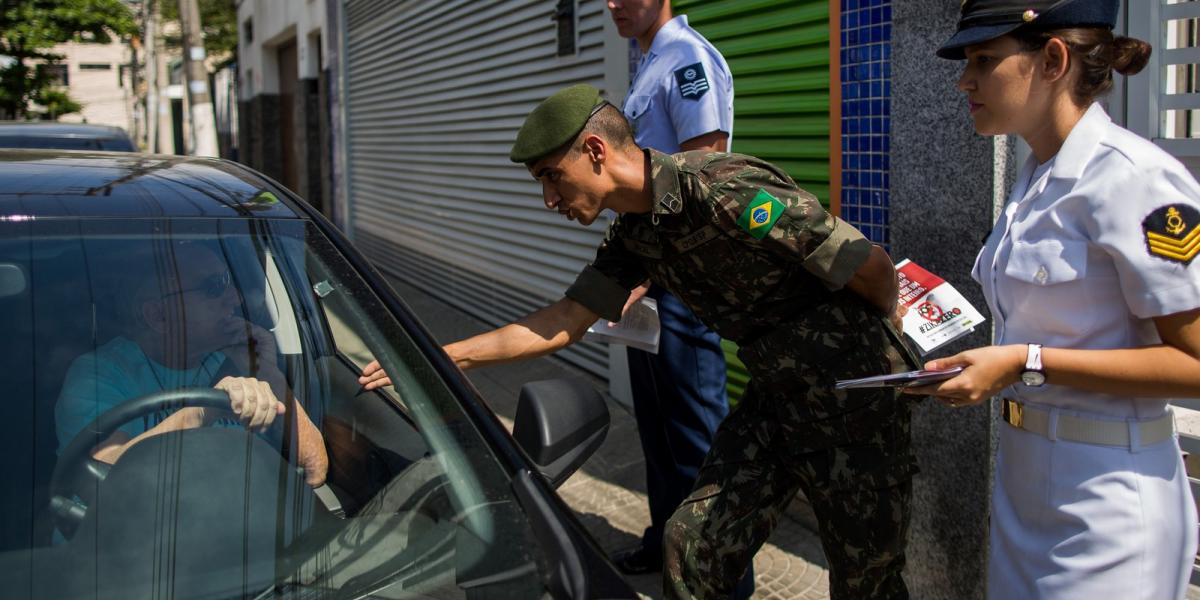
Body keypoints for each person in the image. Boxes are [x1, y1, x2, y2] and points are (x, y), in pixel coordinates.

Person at [360, 84, 921, 599]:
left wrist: (878, 349)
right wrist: (443, 356)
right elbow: (564, 319)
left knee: (865, 580)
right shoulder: (633, 235)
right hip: (776, 400)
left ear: (596, 152)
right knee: (693, 544)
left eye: (552, 176)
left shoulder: (723, 188)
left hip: (854, 401)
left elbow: (865, 264)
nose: (549, 200)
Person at [909, 1, 1200, 597]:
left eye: (984, 59)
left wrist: (1025, 362)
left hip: (1110, 505)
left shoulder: (1135, 179)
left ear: (1054, 60)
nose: (965, 80)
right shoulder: (1035, 178)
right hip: (1025, 488)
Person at [605, 0, 743, 588]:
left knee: (696, 435)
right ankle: (668, 547)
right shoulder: (648, 63)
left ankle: (721, 576)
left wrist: (656, 270)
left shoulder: (687, 60)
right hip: (651, 279)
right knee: (657, 425)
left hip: (681, 281)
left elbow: (703, 170)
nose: (613, 4)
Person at [56, 242, 328, 488]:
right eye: (214, 286)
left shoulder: (231, 359)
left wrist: (265, 369)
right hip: (133, 537)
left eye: (229, 280)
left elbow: (315, 466)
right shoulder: (97, 376)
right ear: (159, 316)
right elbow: (104, 479)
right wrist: (200, 411)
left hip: (229, 527)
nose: (236, 299)